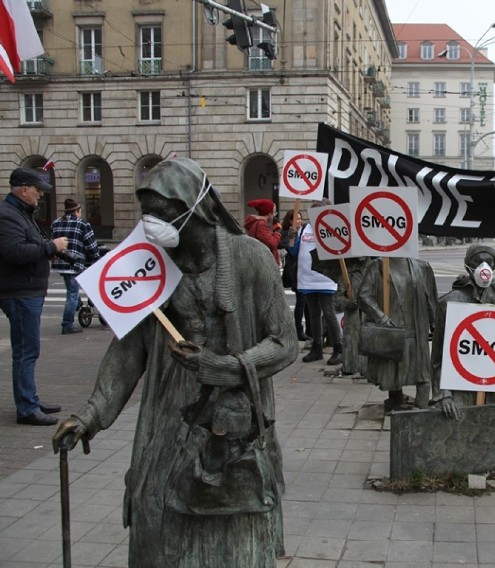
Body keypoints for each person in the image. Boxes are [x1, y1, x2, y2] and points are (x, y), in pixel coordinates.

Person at [51, 158, 298, 566]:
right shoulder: (149, 264)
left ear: (194, 207)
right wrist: (91, 414)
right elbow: (128, 350)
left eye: (161, 211)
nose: (151, 221)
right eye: (145, 211)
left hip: (233, 423)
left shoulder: (249, 258)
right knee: (156, 516)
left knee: (235, 531)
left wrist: (228, 367)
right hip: (166, 421)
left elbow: (284, 343)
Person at [430, 244, 495, 420]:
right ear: (468, 267)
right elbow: (438, 356)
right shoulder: (450, 303)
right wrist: (443, 394)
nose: (484, 266)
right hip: (462, 386)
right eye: (478, 262)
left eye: (489, 261)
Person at [0, 168, 67, 426]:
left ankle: (30, 399)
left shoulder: (20, 213)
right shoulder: (7, 216)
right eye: (37, 190)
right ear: (24, 189)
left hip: (27, 290)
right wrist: (52, 247)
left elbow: (26, 246)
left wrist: (45, 251)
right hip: (20, 292)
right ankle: (27, 408)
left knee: (28, 350)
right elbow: (15, 252)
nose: (40, 195)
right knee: (27, 351)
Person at [358, 256, 438, 412]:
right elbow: (363, 295)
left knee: (423, 375)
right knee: (393, 372)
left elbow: (431, 299)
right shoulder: (378, 265)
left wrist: (435, 324)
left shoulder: (422, 266)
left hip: (418, 330)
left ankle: (421, 409)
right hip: (394, 329)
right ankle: (396, 401)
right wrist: (381, 318)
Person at [297, 201, 343, 365]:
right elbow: (295, 250)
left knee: (329, 314)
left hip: (325, 279)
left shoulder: (331, 227)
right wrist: (290, 236)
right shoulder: (304, 229)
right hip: (307, 278)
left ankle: (338, 348)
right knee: (313, 314)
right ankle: (317, 347)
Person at [51, 198, 100, 335]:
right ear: (76, 211)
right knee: (72, 293)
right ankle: (67, 324)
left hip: (60, 263)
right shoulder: (82, 224)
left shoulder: (55, 223)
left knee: (71, 288)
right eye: (80, 211)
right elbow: (91, 245)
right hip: (75, 263)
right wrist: (96, 256)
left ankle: (78, 304)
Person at [334, 256, 371, 377]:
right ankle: (350, 368)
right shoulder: (347, 271)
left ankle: (368, 370)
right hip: (352, 320)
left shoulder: (376, 269)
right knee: (351, 344)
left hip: (370, 317)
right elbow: (338, 298)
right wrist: (347, 302)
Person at [280, 209, 310, 341]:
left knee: (308, 302)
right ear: (290, 221)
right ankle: (298, 330)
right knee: (301, 301)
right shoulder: (288, 234)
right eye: (296, 219)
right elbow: (293, 250)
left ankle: (310, 329)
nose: (299, 221)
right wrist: (295, 235)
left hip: (305, 270)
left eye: (300, 218)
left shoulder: (304, 230)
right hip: (296, 271)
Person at [243, 198, 281, 265]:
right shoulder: (261, 224)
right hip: (264, 264)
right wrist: (277, 233)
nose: (274, 215)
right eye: (274, 212)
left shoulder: (258, 223)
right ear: (269, 213)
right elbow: (272, 244)